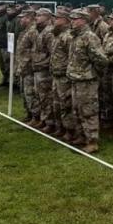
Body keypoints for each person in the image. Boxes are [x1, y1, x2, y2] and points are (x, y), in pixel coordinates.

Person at [65, 9, 108, 153]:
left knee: (89, 111)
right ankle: (81, 136)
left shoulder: (90, 37)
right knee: (77, 109)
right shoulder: (75, 36)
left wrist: (93, 73)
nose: (72, 21)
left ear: (84, 20)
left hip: (87, 80)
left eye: (75, 19)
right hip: (75, 79)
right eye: (71, 19)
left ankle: (92, 141)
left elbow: (101, 59)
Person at [49, 7, 73, 141]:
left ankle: (69, 129)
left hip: (64, 76)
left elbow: (72, 57)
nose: (55, 20)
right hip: (56, 74)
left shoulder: (68, 36)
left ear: (65, 20)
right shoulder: (57, 35)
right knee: (56, 103)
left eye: (58, 18)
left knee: (66, 104)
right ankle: (60, 127)